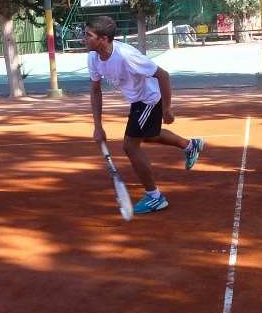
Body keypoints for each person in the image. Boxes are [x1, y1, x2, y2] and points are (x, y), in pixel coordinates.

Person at [85, 16, 204, 214]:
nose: (84, 39)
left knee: (130, 145)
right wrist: (98, 126)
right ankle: (190, 145)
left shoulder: (126, 57)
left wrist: (166, 109)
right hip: (137, 99)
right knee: (148, 135)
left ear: (103, 39)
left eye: (88, 35)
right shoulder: (93, 57)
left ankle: (154, 197)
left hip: (149, 99)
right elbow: (95, 90)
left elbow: (163, 75)